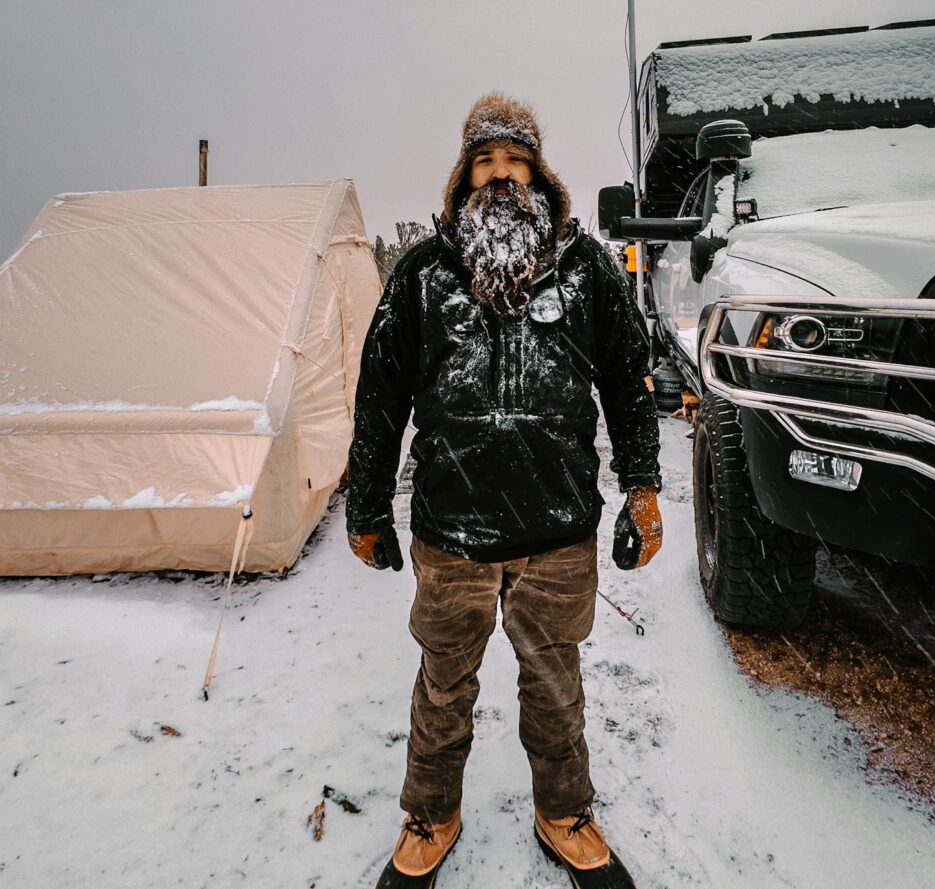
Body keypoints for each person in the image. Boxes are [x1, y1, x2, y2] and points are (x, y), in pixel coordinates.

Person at [346, 92, 662, 888]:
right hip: (452, 533)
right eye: (484, 162)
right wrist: (365, 505)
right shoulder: (423, 273)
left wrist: (644, 485)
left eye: (513, 162)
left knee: (556, 682)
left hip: (558, 529)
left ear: (538, 174)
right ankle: (431, 812)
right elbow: (380, 394)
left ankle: (564, 811)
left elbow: (628, 381)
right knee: (444, 684)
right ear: (463, 177)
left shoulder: (585, 268)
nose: (500, 177)